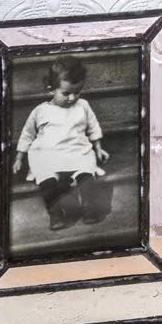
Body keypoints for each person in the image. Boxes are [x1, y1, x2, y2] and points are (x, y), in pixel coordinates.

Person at [12, 57, 112, 230]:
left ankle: (88, 208)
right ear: (51, 89)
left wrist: (98, 149)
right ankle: (55, 213)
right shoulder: (40, 111)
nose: (72, 98)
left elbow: (93, 127)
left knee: (86, 172)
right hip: (48, 154)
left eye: (77, 92)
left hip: (76, 150)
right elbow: (27, 134)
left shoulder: (83, 106)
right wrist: (19, 158)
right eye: (66, 93)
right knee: (47, 178)